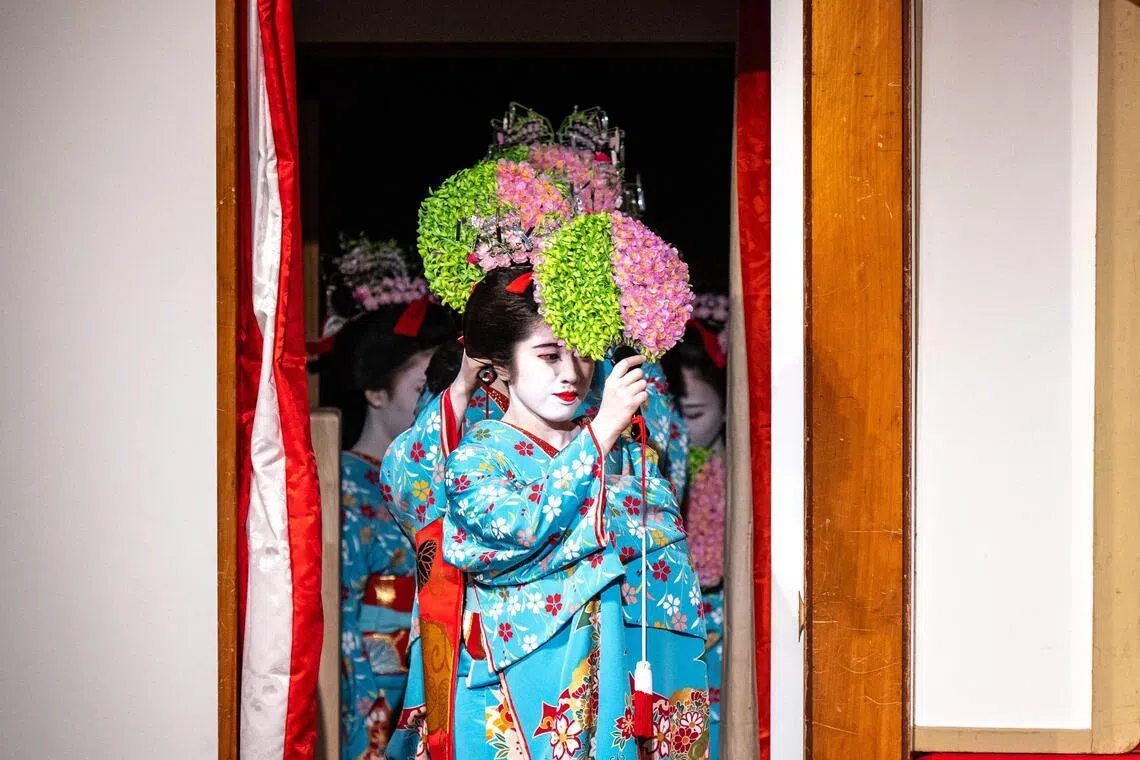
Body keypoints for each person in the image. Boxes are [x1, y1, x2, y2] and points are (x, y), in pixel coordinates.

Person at [387, 268, 709, 760]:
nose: (570, 372)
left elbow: (661, 535)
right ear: (502, 365)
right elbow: (520, 527)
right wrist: (598, 437)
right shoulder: (475, 455)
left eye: (582, 352)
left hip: (623, 666)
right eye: (548, 355)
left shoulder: (626, 449)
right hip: (516, 681)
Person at [339, 300, 456, 760]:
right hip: (374, 675)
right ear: (376, 391)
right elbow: (343, 605)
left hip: (431, 665)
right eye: (420, 385)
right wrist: (364, 701)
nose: (430, 401)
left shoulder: (448, 475)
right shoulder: (345, 478)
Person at [662, 301, 729, 760]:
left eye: (698, 414)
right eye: (677, 419)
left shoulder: (736, 475)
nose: (683, 432)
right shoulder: (662, 466)